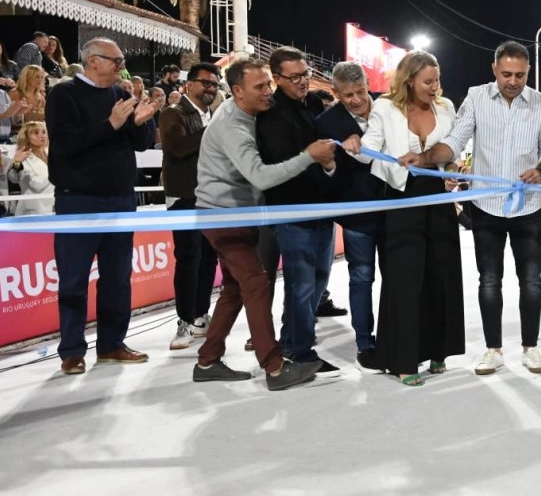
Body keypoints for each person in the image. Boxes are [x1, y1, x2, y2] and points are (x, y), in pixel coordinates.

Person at [402, 41, 541, 376]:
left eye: (520, 75)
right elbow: (456, 141)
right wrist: (425, 159)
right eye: (506, 74)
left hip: (526, 206)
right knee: (489, 280)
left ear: (528, 72)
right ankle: (493, 350)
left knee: (531, 281)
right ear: (494, 69)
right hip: (486, 206)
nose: (513, 81)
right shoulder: (476, 97)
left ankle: (530, 348)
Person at [193, 58, 331, 390]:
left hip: (239, 213)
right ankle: (274, 366)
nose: (268, 91)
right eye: (260, 87)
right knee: (255, 282)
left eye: (268, 83)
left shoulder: (247, 114)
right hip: (224, 215)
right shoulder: (232, 126)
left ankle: (207, 360)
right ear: (237, 91)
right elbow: (261, 177)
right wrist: (309, 156)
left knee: (235, 289)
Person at [45, 37, 158, 375]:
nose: (122, 67)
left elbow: (140, 143)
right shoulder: (64, 94)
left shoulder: (120, 95)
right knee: (73, 279)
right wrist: (110, 125)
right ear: (93, 60)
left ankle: (112, 344)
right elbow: (66, 144)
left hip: (120, 198)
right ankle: (71, 351)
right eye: (116, 60)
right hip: (78, 199)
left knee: (118, 278)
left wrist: (142, 122)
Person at [255, 47, 340, 375]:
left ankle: (295, 340)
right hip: (291, 210)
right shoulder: (270, 114)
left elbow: (328, 152)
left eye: (306, 74)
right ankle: (299, 350)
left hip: (323, 206)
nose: (303, 81)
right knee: (300, 283)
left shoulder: (315, 104)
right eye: (295, 77)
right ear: (276, 78)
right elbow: (277, 165)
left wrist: (329, 165)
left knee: (319, 279)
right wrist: (312, 156)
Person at [314, 61, 389, 373]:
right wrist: (336, 160)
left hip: (395, 210)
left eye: (360, 91)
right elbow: (326, 175)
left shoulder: (389, 106)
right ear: (335, 93)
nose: (356, 99)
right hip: (357, 216)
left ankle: (396, 336)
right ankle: (365, 343)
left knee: (397, 275)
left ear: (368, 83)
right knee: (361, 278)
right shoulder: (326, 123)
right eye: (348, 95)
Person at [159, 62, 221, 350]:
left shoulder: (209, 115)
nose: (211, 88)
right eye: (206, 83)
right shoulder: (173, 112)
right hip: (184, 196)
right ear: (189, 84)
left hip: (210, 196)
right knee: (188, 258)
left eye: (215, 84)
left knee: (208, 257)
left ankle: (200, 315)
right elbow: (177, 148)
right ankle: (184, 320)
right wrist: (213, 129)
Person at [7, 120, 53, 215]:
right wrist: (16, 162)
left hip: (54, 207)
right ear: (26, 138)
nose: (42, 135)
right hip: (33, 210)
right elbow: (35, 184)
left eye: (44, 132)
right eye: (36, 133)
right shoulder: (23, 158)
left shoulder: (52, 155)